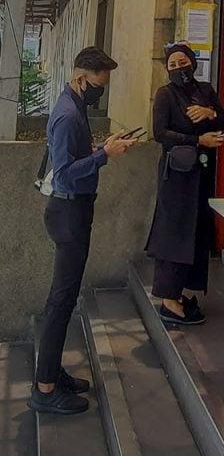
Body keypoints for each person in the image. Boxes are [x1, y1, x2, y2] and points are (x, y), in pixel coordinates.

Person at [30, 47, 136, 415]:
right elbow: (64, 172)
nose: (100, 93)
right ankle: (44, 388)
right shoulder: (67, 115)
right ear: (81, 77)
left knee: (64, 297)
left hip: (74, 209)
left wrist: (100, 148)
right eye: (97, 85)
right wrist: (105, 155)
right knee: (61, 299)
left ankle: (51, 372)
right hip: (68, 212)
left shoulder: (73, 108)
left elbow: (74, 158)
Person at [146, 42, 224, 326]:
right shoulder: (164, 95)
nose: (179, 68)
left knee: (195, 232)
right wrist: (197, 140)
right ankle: (168, 299)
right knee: (174, 233)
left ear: (193, 63)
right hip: (177, 176)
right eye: (172, 65)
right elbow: (159, 133)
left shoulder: (205, 91)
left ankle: (179, 293)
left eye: (183, 62)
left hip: (202, 174)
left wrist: (211, 115)